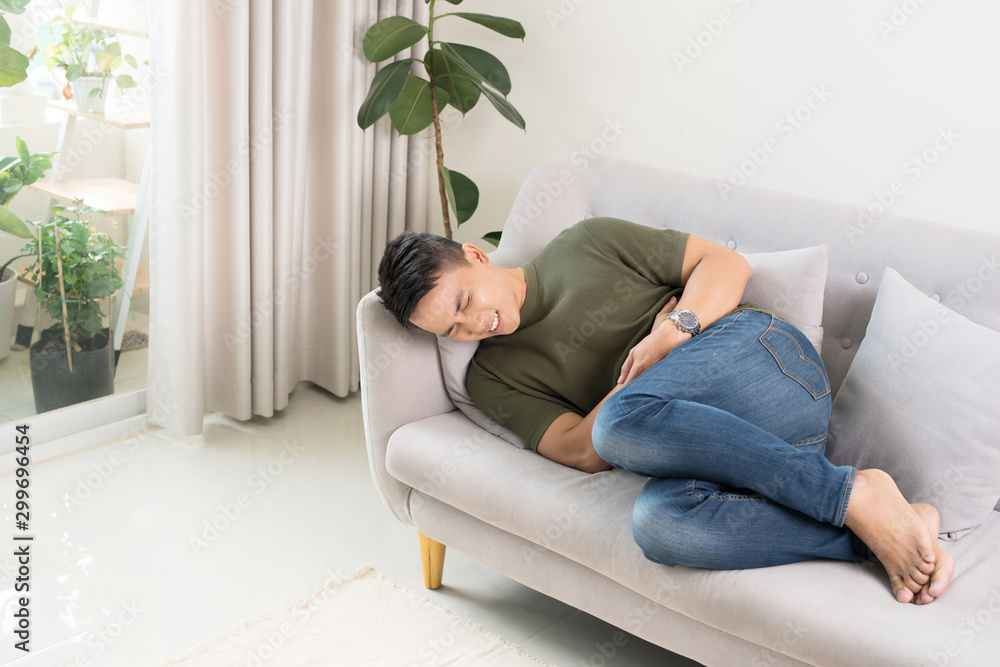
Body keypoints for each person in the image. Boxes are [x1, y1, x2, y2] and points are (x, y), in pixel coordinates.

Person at [374, 217, 954, 605]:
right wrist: (642, 369)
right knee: (659, 525)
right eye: (451, 328)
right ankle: (876, 526)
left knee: (618, 422)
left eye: (464, 301)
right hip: (729, 450)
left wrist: (672, 332)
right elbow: (581, 450)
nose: (473, 324)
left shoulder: (584, 244)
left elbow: (725, 266)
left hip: (767, 367)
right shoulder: (493, 376)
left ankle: (849, 496)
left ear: (475, 256)